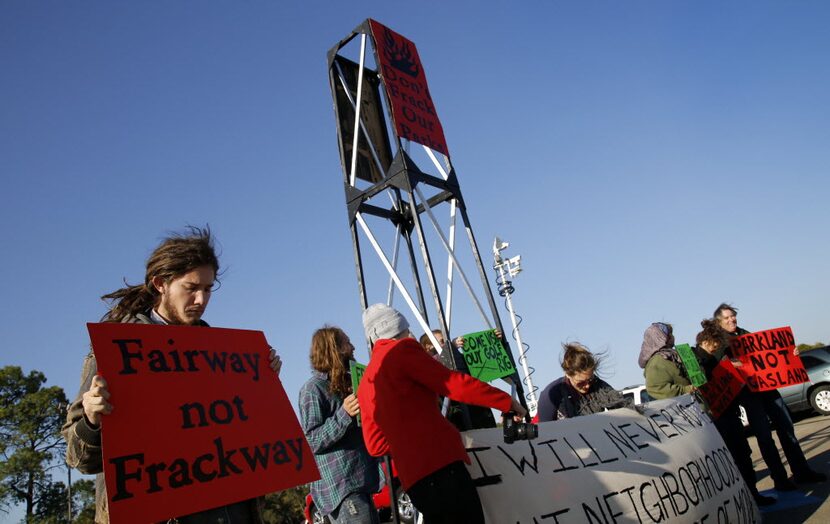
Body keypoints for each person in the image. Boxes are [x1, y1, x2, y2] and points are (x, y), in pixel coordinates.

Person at [61, 227, 282, 523]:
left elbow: (244, 433)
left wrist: (261, 381)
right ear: (161, 284)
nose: (202, 299)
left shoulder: (223, 354)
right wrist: (91, 420)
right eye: (191, 287)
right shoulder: (117, 351)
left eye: (208, 288)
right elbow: (79, 459)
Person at [357, 304, 527, 524]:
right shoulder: (403, 351)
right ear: (401, 328)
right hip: (442, 466)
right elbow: (454, 384)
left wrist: (405, 440)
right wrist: (505, 401)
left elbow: (375, 446)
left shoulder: (366, 383)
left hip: (414, 480)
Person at [714, 303, 826, 490]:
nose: (731, 320)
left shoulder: (745, 334)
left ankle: (802, 472)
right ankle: (780, 479)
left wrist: (791, 353)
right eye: (726, 318)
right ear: (719, 321)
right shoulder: (719, 342)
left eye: (732, 316)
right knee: (764, 437)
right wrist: (731, 362)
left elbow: (769, 355)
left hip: (769, 389)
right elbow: (719, 366)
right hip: (750, 395)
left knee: (786, 427)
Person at [299, 326, 381, 523]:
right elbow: (312, 441)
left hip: (361, 482)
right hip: (343, 490)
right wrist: (344, 414)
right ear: (333, 349)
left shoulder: (347, 383)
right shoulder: (313, 389)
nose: (353, 347)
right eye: (347, 343)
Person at [694, 319, 775, 506]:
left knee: (743, 455)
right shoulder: (694, 359)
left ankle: (753, 495)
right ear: (706, 342)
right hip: (714, 420)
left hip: (730, 414)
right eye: (715, 346)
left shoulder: (719, 354)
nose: (717, 349)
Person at [537, 343, 626, 421]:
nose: (587, 386)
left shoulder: (598, 386)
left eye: (590, 380)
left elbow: (623, 409)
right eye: (581, 383)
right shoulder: (551, 395)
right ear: (567, 374)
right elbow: (546, 431)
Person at [639, 322, 695, 399]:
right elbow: (656, 388)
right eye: (670, 334)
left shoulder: (672, 355)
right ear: (662, 337)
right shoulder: (657, 362)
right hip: (683, 405)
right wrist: (686, 390)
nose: (673, 336)